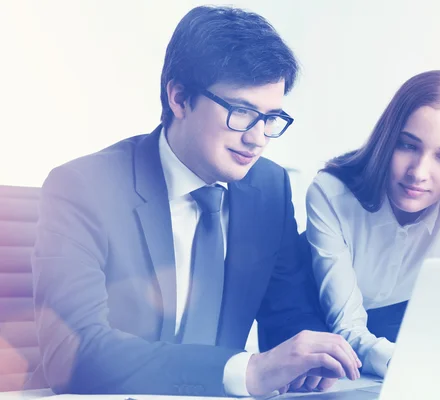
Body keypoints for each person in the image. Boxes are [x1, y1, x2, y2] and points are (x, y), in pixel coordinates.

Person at [30, 6, 361, 397]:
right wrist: (246, 371)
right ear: (180, 98)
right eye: (242, 113)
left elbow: (289, 311)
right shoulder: (83, 187)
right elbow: (71, 353)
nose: (257, 139)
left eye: (271, 118)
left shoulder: (269, 187)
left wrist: (313, 356)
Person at [305, 69, 440, 378]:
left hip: (411, 366)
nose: (419, 172)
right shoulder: (331, 192)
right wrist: (407, 365)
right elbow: (346, 327)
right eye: (407, 146)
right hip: (329, 361)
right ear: (387, 140)